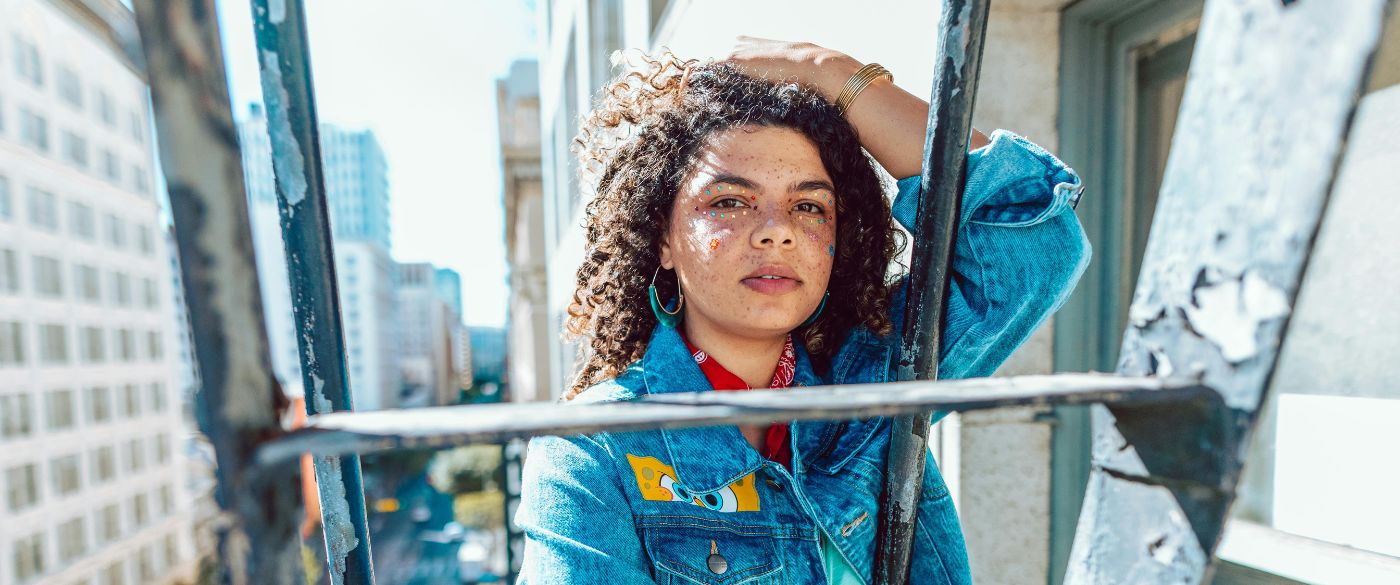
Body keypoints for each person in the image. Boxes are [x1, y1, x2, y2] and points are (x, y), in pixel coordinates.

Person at [515, 38, 1090, 584]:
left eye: (809, 206)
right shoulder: (591, 450)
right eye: (730, 201)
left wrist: (830, 72)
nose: (777, 233)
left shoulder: (872, 385)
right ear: (662, 238)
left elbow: (1034, 240)